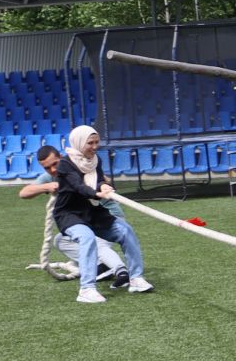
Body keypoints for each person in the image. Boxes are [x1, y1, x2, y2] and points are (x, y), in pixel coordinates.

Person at [52, 126, 152, 304]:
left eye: (97, 142)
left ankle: (136, 278)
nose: (95, 146)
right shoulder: (65, 164)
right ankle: (86, 289)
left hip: (92, 211)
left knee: (125, 231)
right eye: (90, 143)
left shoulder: (95, 160)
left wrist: (102, 186)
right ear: (79, 142)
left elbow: (97, 181)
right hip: (69, 213)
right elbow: (78, 186)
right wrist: (96, 193)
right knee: (87, 237)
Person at [21, 145, 127, 284]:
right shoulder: (51, 176)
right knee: (61, 240)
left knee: (92, 240)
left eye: (55, 164)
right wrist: (47, 187)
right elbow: (24, 193)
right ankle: (99, 265)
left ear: (61, 158)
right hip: (84, 220)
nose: (52, 169)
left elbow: (105, 181)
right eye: (47, 168)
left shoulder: (78, 165)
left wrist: (92, 183)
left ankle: (121, 271)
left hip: (107, 216)